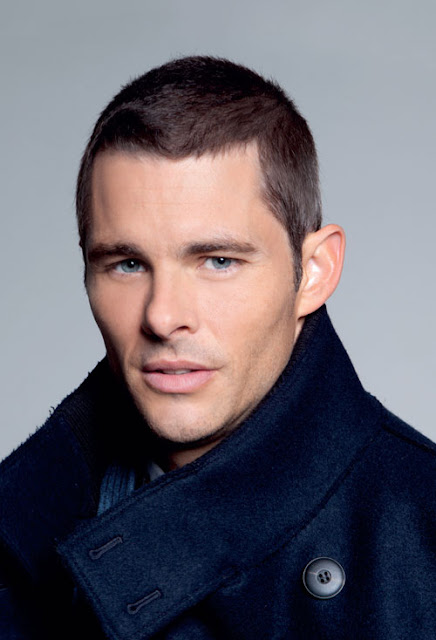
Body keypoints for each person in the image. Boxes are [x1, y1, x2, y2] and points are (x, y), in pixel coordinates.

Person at [0, 56, 435, 640]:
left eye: (218, 261)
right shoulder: (19, 533)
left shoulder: (419, 539)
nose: (163, 317)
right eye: (126, 264)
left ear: (314, 272)